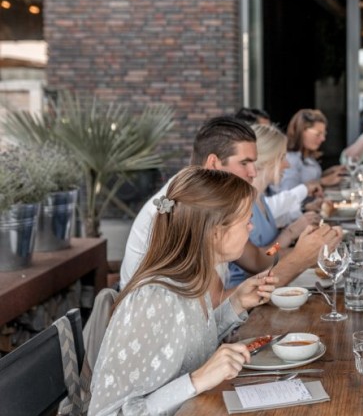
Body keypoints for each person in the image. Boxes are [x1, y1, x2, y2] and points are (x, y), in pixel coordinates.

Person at [83, 167, 355, 416]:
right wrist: (196, 381)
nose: (251, 227)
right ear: (215, 232)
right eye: (245, 220)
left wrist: (234, 307)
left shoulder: (191, 281)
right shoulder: (152, 301)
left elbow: (187, 347)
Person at [121, 116, 340, 301]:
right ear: (214, 164)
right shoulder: (186, 208)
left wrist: (295, 241)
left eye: (254, 162)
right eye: (244, 163)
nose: (253, 172)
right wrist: (300, 255)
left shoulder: (218, 199)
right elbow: (214, 307)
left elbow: (260, 255)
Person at [227, 124, 321, 288]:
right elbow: (257, 262)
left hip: (267, 289)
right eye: (282, 157)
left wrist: (290, 233)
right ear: (266, 159)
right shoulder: (241, 204)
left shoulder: (260, 198)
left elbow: (270, 251)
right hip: (245, 301)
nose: (288, 165)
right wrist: (305, 252)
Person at [278, 108, 342, 192]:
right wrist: (322, 181)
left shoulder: (307, 156)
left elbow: (306, 177)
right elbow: (289, 193)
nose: (323, 138)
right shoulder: (290, 159)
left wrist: (328, 173)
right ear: (301, 131)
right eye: (318, 134)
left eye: (324, 134)